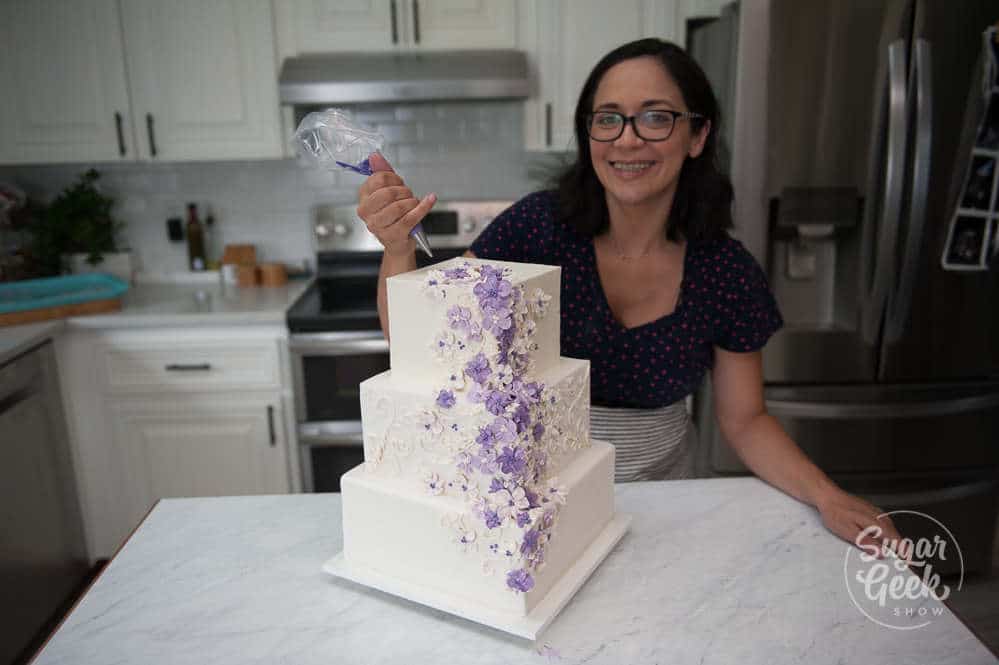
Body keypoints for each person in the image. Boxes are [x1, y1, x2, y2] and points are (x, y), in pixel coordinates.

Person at [356, 38, 903, 554]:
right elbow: (420, 341)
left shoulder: (726, 273)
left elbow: (745, 420)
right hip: (538, 513)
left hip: (661, 514)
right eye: (608, 118)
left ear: (697, 136)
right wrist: (398, 249)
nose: (627, 138)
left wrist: (827, 495)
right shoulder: (536, 231)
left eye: (656, 116)